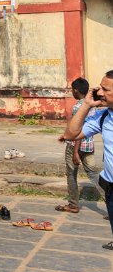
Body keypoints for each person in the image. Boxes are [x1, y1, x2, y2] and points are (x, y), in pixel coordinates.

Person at [64, 71, 113, 250]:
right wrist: (85, 104)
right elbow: (71, 134)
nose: (99, 93)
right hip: (110, 188)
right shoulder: (103, 116)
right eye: (100, 88)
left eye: (105, 89)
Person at [57, 77, 99, 214]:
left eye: (72, 90)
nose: (72, 93)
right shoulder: (92, 106)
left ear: (76, 91)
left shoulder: (78, 107)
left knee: (71, 174)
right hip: (89, 145)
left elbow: (78, 130)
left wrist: (75, 152)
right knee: (94, 175)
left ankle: (73, 205)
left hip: (76, 146)